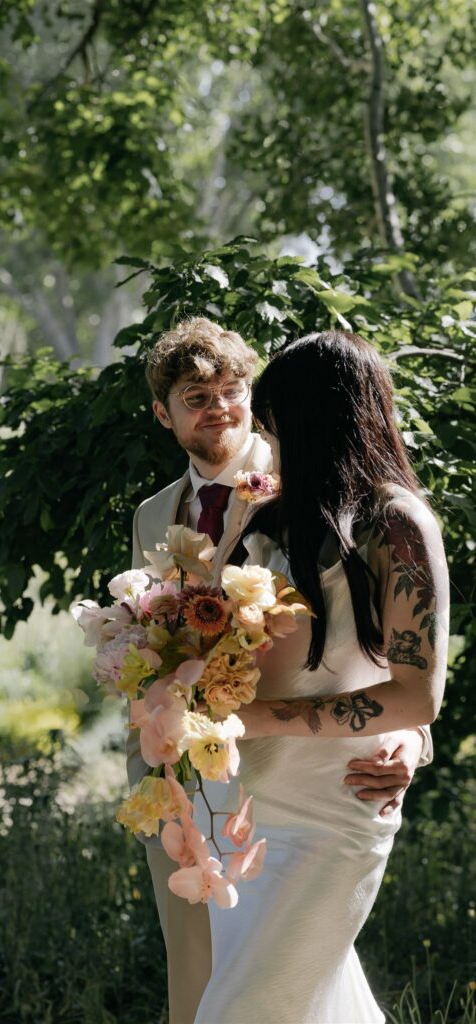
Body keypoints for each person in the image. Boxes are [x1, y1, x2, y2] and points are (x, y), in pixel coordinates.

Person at [127, 318, 433, 1023]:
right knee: (208, 974)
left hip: (312, 784)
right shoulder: (150, 517)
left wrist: (410, 741)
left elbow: (384, 651)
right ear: (162, 413)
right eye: (195, 396)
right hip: (187, 778)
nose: (221, 408)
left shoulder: (316, 488)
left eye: (232, 391)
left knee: (252, 998)